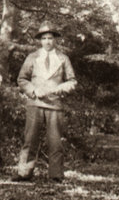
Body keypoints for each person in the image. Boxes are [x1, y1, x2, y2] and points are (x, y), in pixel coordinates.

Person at [12, 21, 77, 183]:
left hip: (55, 105)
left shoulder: (63, 59)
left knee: (55, 142)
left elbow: (72, 81)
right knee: (30, 139)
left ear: (56, 40)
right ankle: (24, 173)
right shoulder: (32, 57)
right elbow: (21, 79)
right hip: (35, 103)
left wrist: (59, 88)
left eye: (50, 38)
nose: (47, 41)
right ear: (40, 40)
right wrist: (34, 90)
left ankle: (56, 175)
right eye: (44, 38)